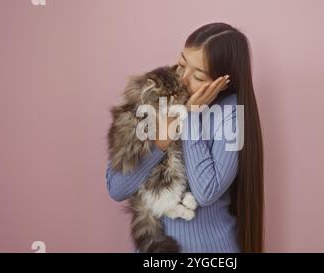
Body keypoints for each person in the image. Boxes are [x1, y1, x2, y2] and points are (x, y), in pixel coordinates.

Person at [106, 22, 264, 252]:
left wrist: (189, 115)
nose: (182, 79)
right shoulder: (153, 92)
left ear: (222, 82)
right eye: (182, 64)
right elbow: (117, 188)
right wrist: (162, 138)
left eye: (198, 75)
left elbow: (205, 192)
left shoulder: (231, 114)